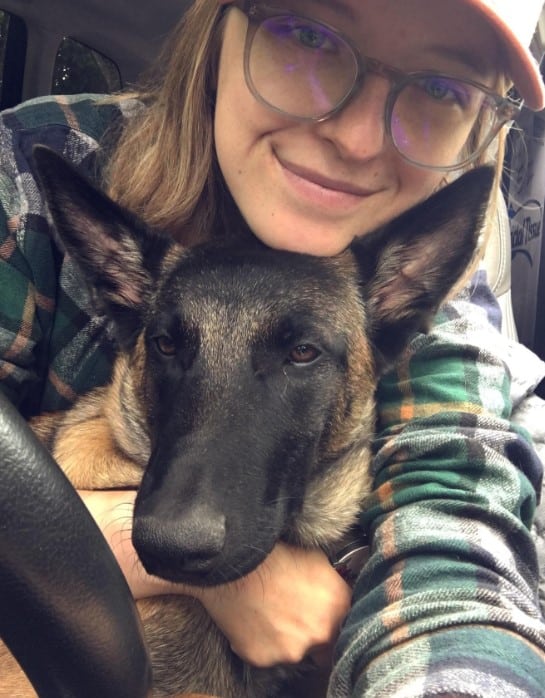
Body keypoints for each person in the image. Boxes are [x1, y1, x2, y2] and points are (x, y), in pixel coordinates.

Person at [1, 0, 545, 695]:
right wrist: (194, 572)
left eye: (441, 89)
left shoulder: (436, 322)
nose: (353, 137)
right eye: (309, 38)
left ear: (481, 136)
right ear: (216, 32)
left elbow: (456, 559)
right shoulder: (26, 176)